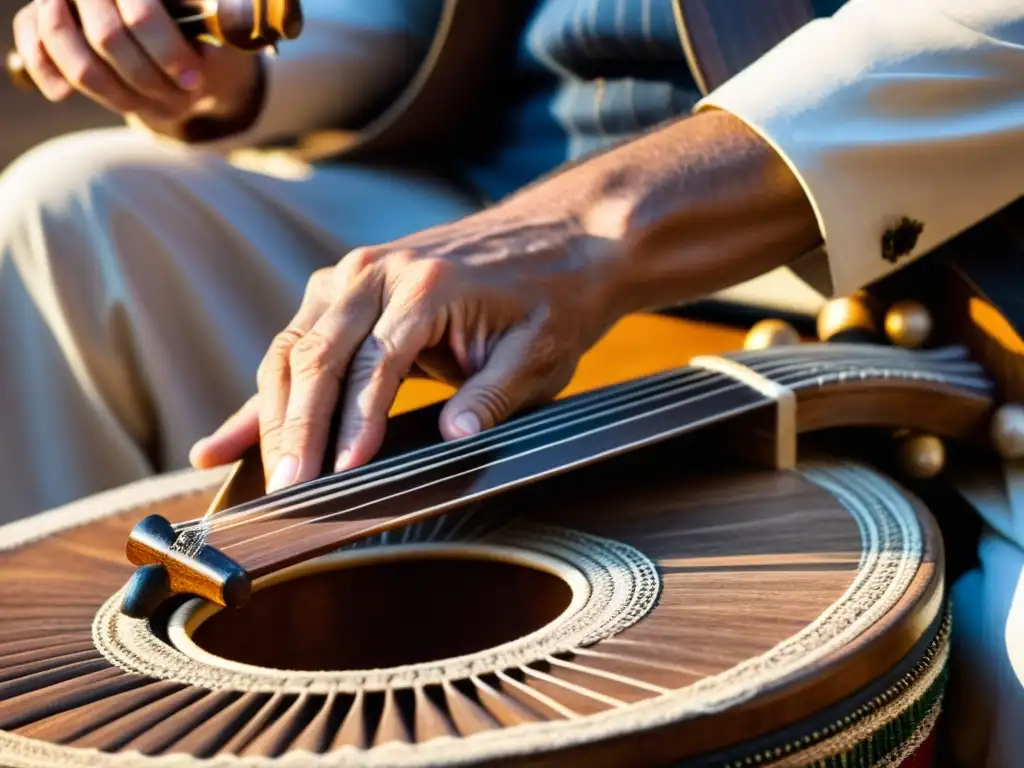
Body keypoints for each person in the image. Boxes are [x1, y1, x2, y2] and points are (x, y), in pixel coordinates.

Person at [1, 0, 1022, 764]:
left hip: (904, 252)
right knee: (73, 214)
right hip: (491, 212)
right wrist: (212, 63)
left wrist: (590, 227)